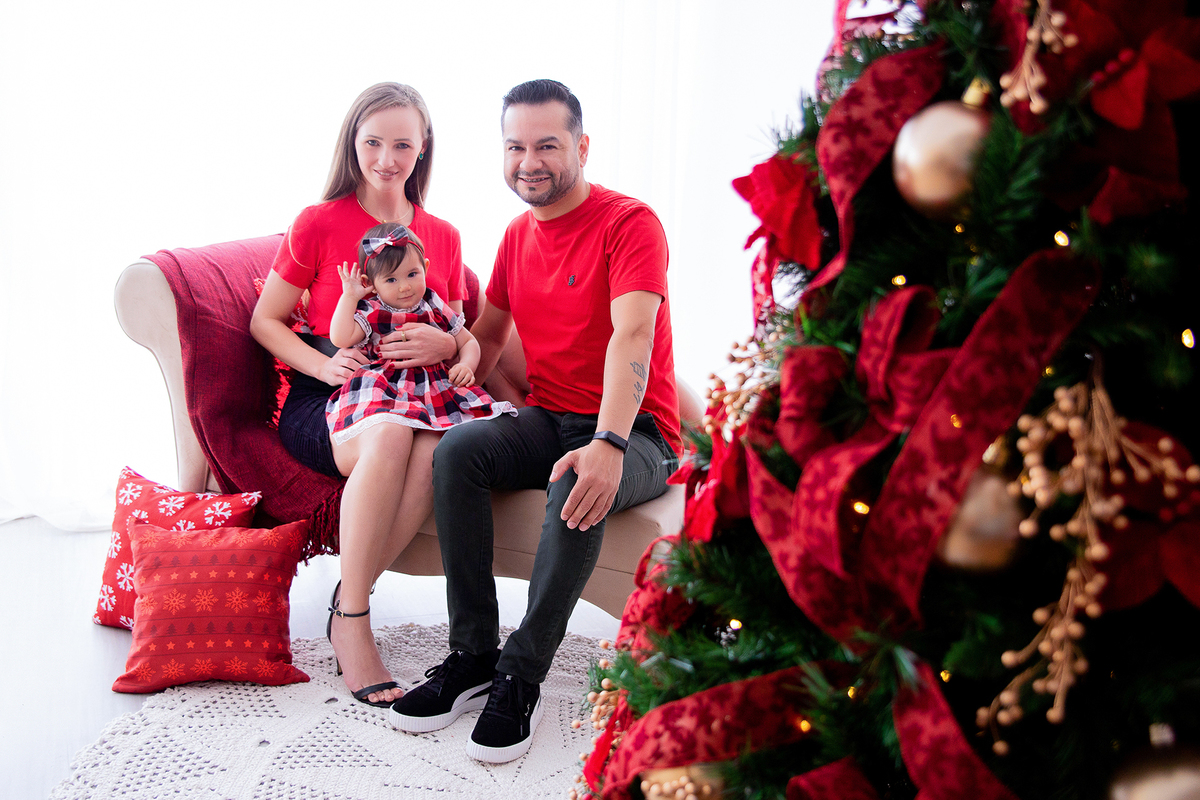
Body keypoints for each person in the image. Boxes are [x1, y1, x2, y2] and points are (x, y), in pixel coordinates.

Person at [390, 79, 681, 763]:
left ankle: (521, 676)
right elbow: (487, 338)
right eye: (515, 146)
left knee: (572, 483)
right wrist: (445, 380)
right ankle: (472, 655)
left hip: (638, 431)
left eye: (547, 145)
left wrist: (609, 443)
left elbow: (632, 335)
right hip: (550, 414)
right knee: (459, 452)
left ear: (581, 146)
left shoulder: (629, 223)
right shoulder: (518, 236)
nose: (530, 161)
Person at [250, 82, 465, 708]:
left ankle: (347, 604)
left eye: (403, 143)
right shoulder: (318, 223)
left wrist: (448, 349)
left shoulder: (443, 236)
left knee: (433, 449)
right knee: (394, 432)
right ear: (353, 144)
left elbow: (452, 324)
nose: (387, 157)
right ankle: (356, 624)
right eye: (373, 142)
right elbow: (266, 322)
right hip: (327, 396)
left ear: (423, 149)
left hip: (411, 393)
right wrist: (320, 368)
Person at [325, 223, 515, 443]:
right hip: (387, 387)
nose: (405, 286)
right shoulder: (373, 310)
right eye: (391, 280)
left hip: (433, 387)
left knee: (464, 432)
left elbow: (468, 341)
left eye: (412, 274)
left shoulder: (433, 304)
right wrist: (349, 297)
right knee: (390, 432)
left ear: (425, 267)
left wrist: (465, 365)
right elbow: (340, 338)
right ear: (371, 284)